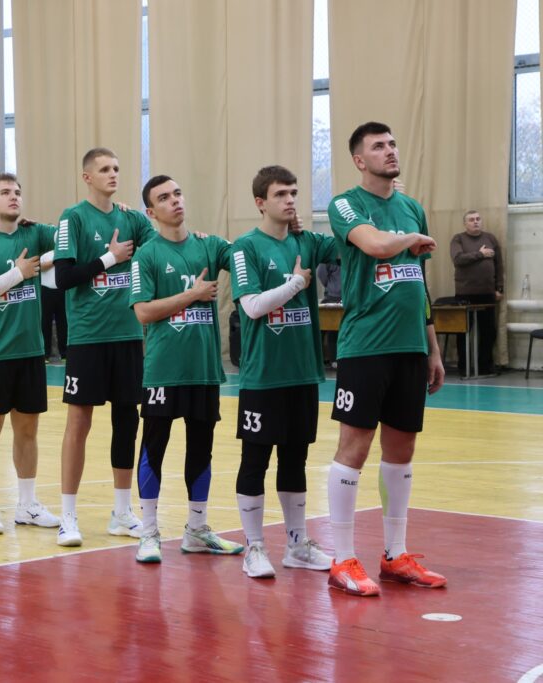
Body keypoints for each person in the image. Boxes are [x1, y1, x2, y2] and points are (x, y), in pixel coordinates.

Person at [326, 121, 446, 596]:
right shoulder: (345, 204)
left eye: (393, 143)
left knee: (402, 450)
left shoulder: (412, 207)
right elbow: (375, 245)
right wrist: (407, 240)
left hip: (409, 347)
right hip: (365, 346)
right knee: (354, 449)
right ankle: (342, 558)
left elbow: (420, 284)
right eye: (378, 146)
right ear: (360, 160)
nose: (390, 151)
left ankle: (395, 555)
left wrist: (432, 347)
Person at [128, 175, 244, 563]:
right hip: (163, 371)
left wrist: (286, 226)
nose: (175, 200)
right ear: (151, 211)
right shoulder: (147, 255)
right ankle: (148, 532)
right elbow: (144, 312)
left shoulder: (209, 246)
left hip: (204, 370)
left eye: (177, 193)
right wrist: (192, 295)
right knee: (154, 448)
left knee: (201, 449)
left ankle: (197, 530)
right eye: (164, 197)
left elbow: (246, 255)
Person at [230, 166, 337, 579]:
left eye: (293, 192)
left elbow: (352, 242)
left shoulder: (306, 242)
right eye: (280, 194)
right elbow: (252, 306)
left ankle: (297, 545)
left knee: (296, 460)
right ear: (261, 202)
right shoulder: (246, 247)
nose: (290, 199)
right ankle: (255, 547)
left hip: (303, 374)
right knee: (255, 459)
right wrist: (295, 284)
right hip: (263, 376)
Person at [52, 147, 155, 547]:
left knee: (127, 422)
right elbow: (63, 278)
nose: (113, 174)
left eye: (116, 168)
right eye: (105, 169)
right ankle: (68, 515)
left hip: (127, 337)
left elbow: (163, 245)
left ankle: (122, 512)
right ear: (87, 177)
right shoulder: (73, 218)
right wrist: (109, 258)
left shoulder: (132, 219)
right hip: (88, 338)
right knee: (79, 423)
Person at [0, 173, 60, 534]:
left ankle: (27, 505)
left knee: (28, 430)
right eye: (5, 192)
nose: (14, 196)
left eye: (17, 191)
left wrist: (118, 212)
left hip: (30, 351)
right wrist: (18, 273)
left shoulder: (34, 234)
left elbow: (73, 239)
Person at [450, 209, 503, 375]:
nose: (476, 222)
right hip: (465, 294)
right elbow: (458, 259)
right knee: (463, 332)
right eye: (471, 219)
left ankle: (485, 367)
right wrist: (480, 254)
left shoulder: (490, 238)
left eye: (478, 219)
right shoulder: (458, 239)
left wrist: (499, 288)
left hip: (487, 293)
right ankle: (464, 367)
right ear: (465, 223)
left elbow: (499, 265)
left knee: (488, 332)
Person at [40, 248, 67, 362]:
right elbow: (40, 267)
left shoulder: (66, 254)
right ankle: (45, 354)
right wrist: (55, 261)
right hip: (46, 291)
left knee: (63, 322)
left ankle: (64, 353)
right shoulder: (45, 255)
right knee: (45, 323)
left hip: (61, 290)